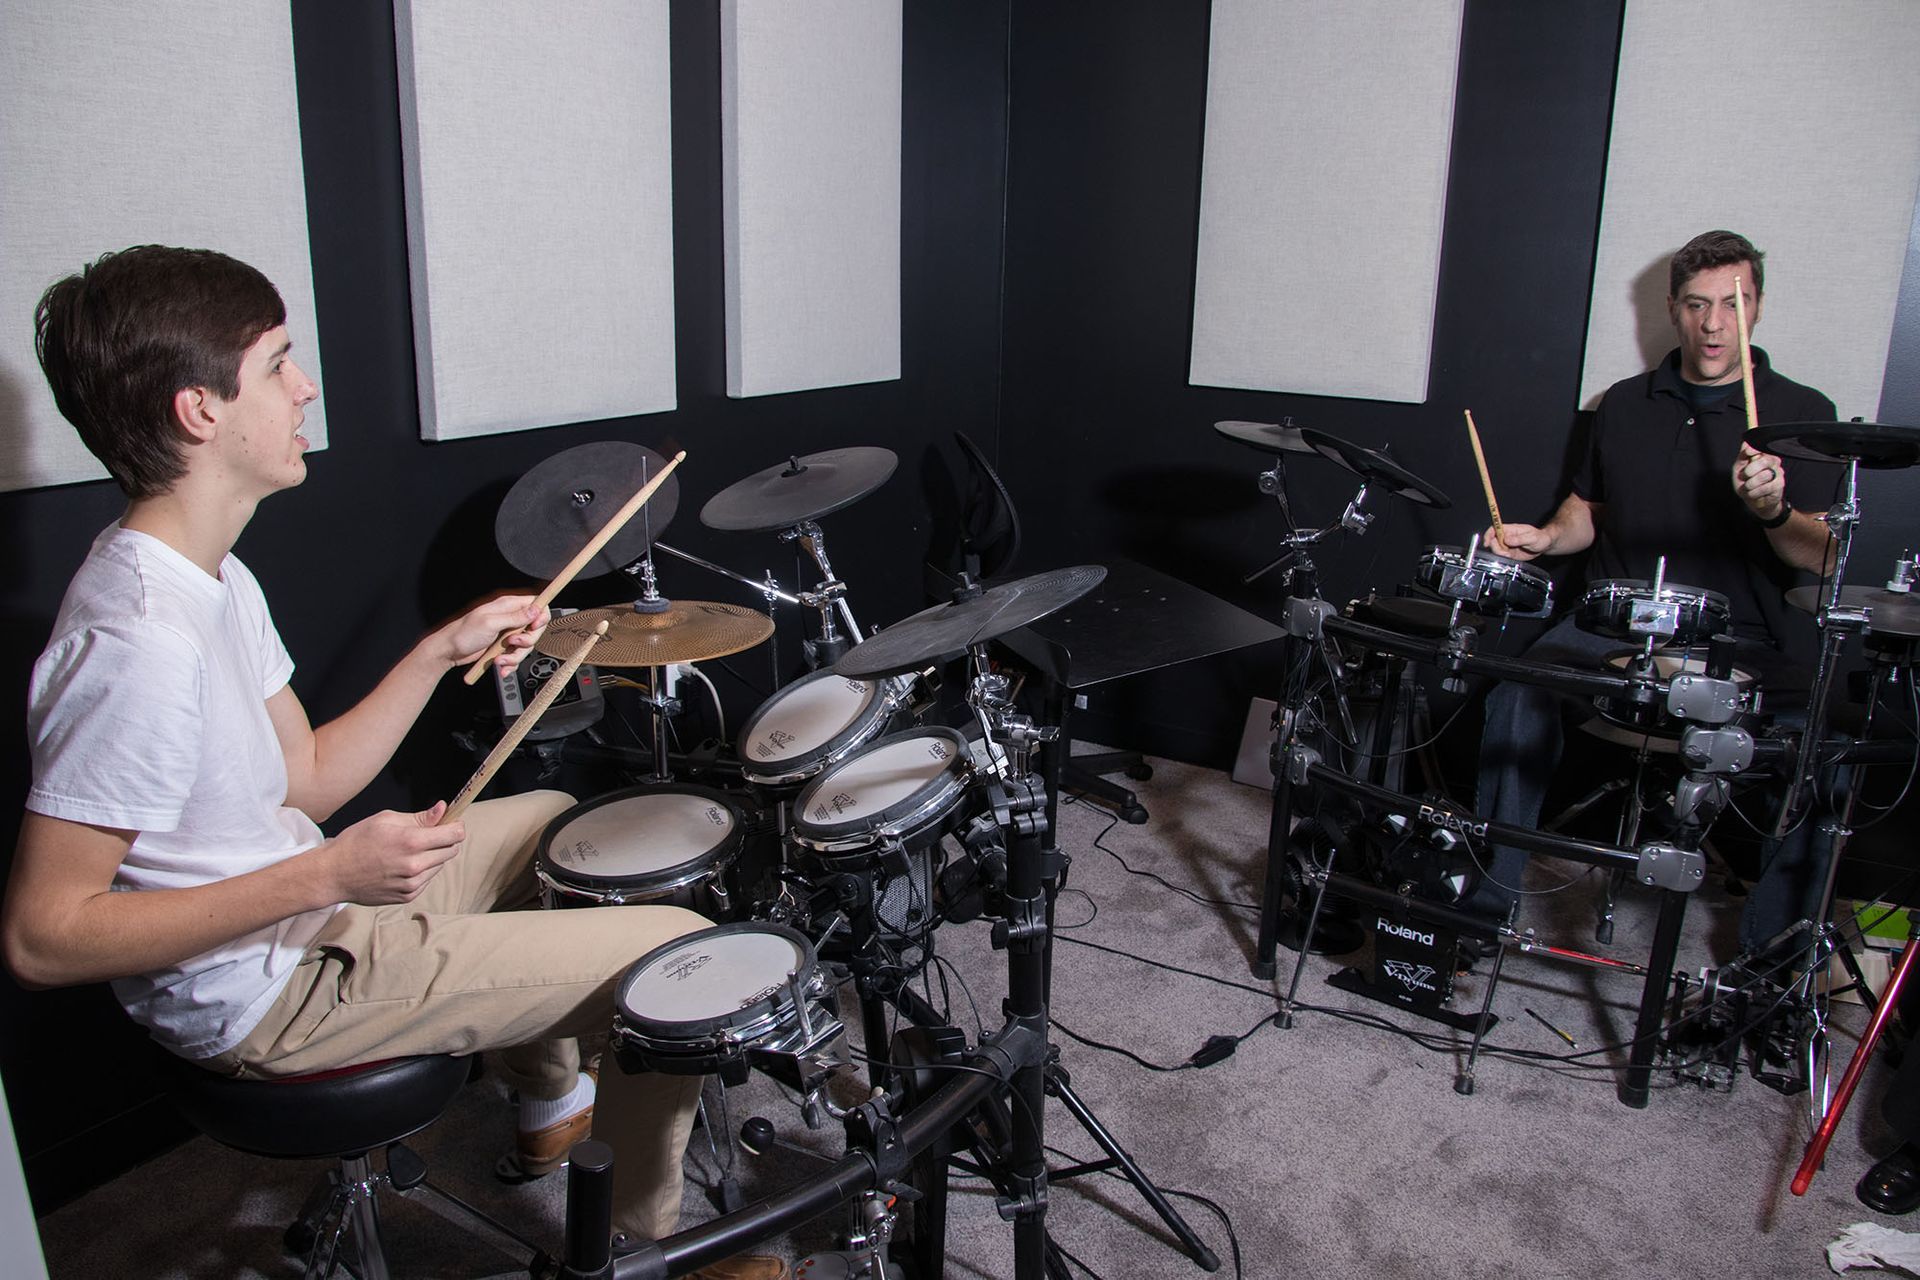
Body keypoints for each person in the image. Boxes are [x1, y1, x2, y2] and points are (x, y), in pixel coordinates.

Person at [0, 246, 782, 1278]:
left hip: (310, 915)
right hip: (270, 990)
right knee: (672, 944)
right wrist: (326, 873)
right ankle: (649, 1247)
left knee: (557, 821)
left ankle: (551, 1102)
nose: (305, 386)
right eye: (278, 364)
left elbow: (308, 777)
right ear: (200, 409)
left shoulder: (209, 575)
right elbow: (44, 937)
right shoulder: (136, 642)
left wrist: (438, 650)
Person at [1471, 230, 1840, 955]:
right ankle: (1483, 913)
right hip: (1612, 622)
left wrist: (1772, 509)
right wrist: (1546, 538)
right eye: (1696, 305)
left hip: (1741, 638)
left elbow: (1823, 556)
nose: (1712, 324)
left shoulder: (1803, 413)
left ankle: (1774, 966)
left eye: (1730, 306)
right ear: (1673, 308)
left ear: (1756, 308)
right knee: (1516, 696)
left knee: (1818, 752)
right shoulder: (1624, 405)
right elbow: (1589, 511)